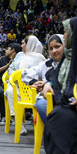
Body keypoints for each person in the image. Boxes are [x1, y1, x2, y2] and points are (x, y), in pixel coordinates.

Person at [42, 17, 77, 154]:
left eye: (67, 31)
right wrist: (47, 84)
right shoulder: (68, 56)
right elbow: (55, 78)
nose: (65, 35)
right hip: (64, 104)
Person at [5, 35, 46, 134]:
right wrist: (17, 78)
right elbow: (11, 69)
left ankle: (36, 119)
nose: (21, 45)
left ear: (30, 45)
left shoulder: (40, 58)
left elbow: (45, 74)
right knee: (10, 91)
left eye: (23, 43)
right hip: (17, 86)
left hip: (33, 88)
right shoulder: (19, 55)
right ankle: (18, 123)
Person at [21, 34, 64, 124]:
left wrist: (45, 84)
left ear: (65, 45)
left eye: (57, 47)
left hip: (65, 97)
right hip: (47, 98)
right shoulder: (46, 64)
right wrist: (36, 82)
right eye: (51, 48)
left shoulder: (71, 63)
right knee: (41, 105)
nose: (54, 51)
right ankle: (55, 132)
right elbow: (25, 74)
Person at [0, 43, 21, 125]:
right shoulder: (1, 60)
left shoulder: (19, 61)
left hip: (13, 84)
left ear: (13, 51)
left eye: (8, 49)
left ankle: (20, 116)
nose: (5, 50)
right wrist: (8, 65)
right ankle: (3, 116)